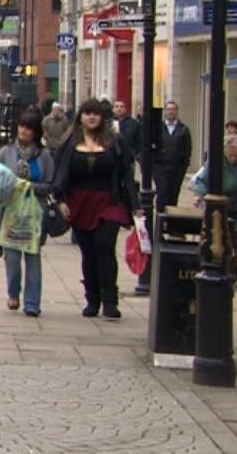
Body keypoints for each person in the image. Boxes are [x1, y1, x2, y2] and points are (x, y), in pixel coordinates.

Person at [52, 99, 141, 320]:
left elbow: (126, 174)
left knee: (105, 246)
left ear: (102, 118)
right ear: (80, 116)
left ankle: (110, 300)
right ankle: (92, 299)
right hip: (80, 202)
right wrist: (61, 200)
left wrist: (136, 205)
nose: (92, 117)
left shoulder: (115, 141)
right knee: (88, 251)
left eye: (96, 114)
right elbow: (60, 174)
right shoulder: (70, 143)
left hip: (108, 201)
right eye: (87, 113)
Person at [0, 111, 55, 317]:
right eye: (22, 126)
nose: (23, 131)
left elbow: (50, 185)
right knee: (13, 259)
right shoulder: (6, 152)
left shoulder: (43, 156)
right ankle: (13, 293)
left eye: (29, 128)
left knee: (33, 257)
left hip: (34, 212)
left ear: (36, 133)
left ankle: (32, 302)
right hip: (11, 212)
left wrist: (29, 186)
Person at [189, 135, 237, 283]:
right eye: (230, 155)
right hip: (218, 202)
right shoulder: (215, 162)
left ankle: (235, 262)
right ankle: (221, 263)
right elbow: (199, 181)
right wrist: (200, 195)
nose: (233, 159)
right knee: (218, 234)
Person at [153, 101, 191, 211]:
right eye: (168, 109)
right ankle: (160, 218)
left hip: (176, 167)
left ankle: (170, 220)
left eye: (173, 109)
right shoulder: (158, 127)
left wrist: (184, 165)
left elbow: (187, 149)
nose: (171, 112)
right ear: (165, 111)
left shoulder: (183, 129)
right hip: (160, 166)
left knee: (173, 194)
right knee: (162, 191)